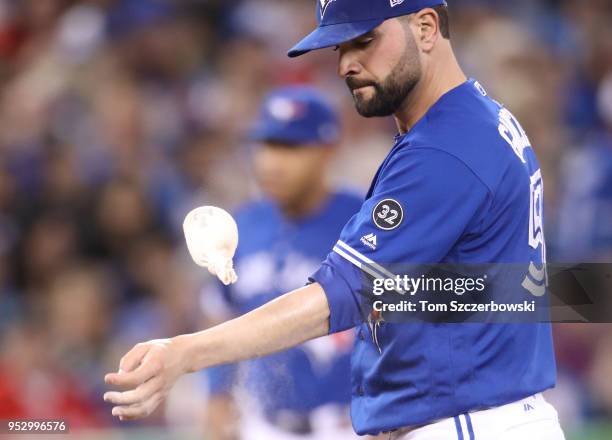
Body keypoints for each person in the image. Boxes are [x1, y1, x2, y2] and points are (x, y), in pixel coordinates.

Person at [104, 1, 566, 438]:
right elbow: (486, 287)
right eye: (339, 47)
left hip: (469, 422)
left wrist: (186, 352)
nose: (346, 63)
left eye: (364, 40)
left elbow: (341, 294)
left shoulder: (445, 148)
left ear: (426, 28)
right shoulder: (474, 119)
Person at [201, 86, 361, 440]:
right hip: (263, 426)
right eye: (267, 145)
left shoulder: (361, 222)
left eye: (290, 147)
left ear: (327, 151)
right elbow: (220, 312)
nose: (272, 162)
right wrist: (217, 395)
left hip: (349, 426)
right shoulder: (241, 226)